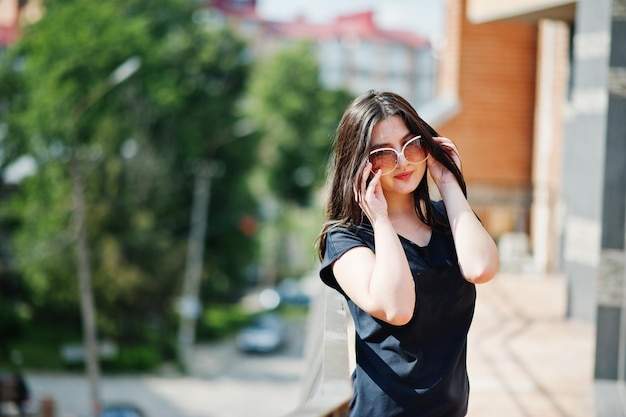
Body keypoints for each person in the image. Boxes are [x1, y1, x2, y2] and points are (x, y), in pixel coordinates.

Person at [317, 90, 499, 416]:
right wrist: (381, 220)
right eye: (383, 154)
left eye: (412, 144)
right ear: (359, 163)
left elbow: (481, 268)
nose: (402, 161)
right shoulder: (346, 238)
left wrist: (448, 181)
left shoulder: (449, 221)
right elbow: (396, 308)